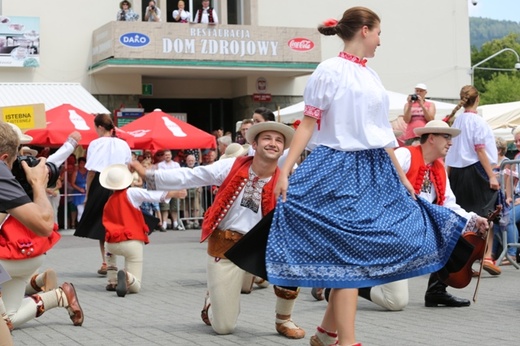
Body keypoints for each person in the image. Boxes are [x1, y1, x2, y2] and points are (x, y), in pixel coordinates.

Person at [263, 8, 467, 346]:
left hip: (374, 168)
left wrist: (400, 174)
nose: (380, 41)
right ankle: (347, 341)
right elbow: (309, 125)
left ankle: (327, 334)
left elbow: (380, 134)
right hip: (337, 167)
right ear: (365, 30)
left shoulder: (371, 76)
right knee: (350, 256)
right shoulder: (328, 70)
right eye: (378, 33)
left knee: (371, 249)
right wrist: (284, 170)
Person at [132, 122, 306, 339]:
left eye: (279, 140)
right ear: (254, 143)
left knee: (293, 261)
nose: (273, 144)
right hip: (227, 245)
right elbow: (192, 176)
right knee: (224, 327)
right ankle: (213, 299)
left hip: (262, 246)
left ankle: (284, 319)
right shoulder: (231, 166)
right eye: (267, 138)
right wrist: (149, 175)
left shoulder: (288, 176)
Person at [317, 121, 490, 310]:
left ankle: (436, 290)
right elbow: (377, 185)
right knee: (396, 302)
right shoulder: (405, 155)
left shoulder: (439, 168)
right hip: (388, 230)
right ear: (431, 138)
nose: (451, 143)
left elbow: (449, 204)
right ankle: (347, 286)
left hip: (410, 233)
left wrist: (474, 219)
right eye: (446, 137)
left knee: (454, 231)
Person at [0, 123, 84, 333]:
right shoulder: (26, 169)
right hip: (26, 252)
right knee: (7, 319)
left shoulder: (15, 172)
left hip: (12, 252)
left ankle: (38, 283)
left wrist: (37, 185)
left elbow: (44, 224)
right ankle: (57, 296)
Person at [100, 164, 185, 297]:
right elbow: (150, 195)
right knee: (136, 286)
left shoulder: (108, 201)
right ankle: (128, 277)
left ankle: (112, 280)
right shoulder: (131, 193)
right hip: (131, 241)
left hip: (112, 242)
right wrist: (173, 193)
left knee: (109, 252)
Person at [445, 85, 502, 276]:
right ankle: (486, 255)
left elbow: (451, 152)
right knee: (487, 214)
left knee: (463, 217)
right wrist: (492, 175)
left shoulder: (457, 121)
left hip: (457, 173)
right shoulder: (477, 122)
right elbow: (480, 149)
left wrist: (446, 176)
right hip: (476, 171)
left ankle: (465, 262)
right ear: (477, 99)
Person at [74, 113, 132, 276]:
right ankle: (126, 260)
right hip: (120, 181)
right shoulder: (123, 144)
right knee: (121, 221)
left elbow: (91, 171)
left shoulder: (95, 144)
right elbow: (128, 166)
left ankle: (106, 261)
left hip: (101, 182)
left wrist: (88, 193)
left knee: (101, 223)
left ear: (100, 127)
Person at [70, 157, 88, 223]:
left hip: (87, 192)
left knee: (87, 210)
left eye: (84, 163)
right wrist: (79, 189)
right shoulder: (76, 172)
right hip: (79, 193)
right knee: (80, 210)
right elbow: (72, 183)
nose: (82, 164)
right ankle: (80, 224)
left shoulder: (88, 172)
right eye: (81, 163)